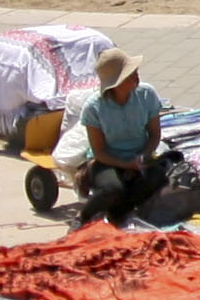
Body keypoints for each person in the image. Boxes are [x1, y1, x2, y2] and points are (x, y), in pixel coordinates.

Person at [66, 50, 172, 225]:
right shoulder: (94, 108)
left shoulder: (147, 94)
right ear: (116, 83)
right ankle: (82, 217)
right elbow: (99, 152)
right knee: (112, 189)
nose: (136, 76)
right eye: (130, 74)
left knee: (158, 179)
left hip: (139, 156)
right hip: (106, 161)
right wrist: (125, 165)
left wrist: (142, 156)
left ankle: (117, 212)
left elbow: (154, 134)